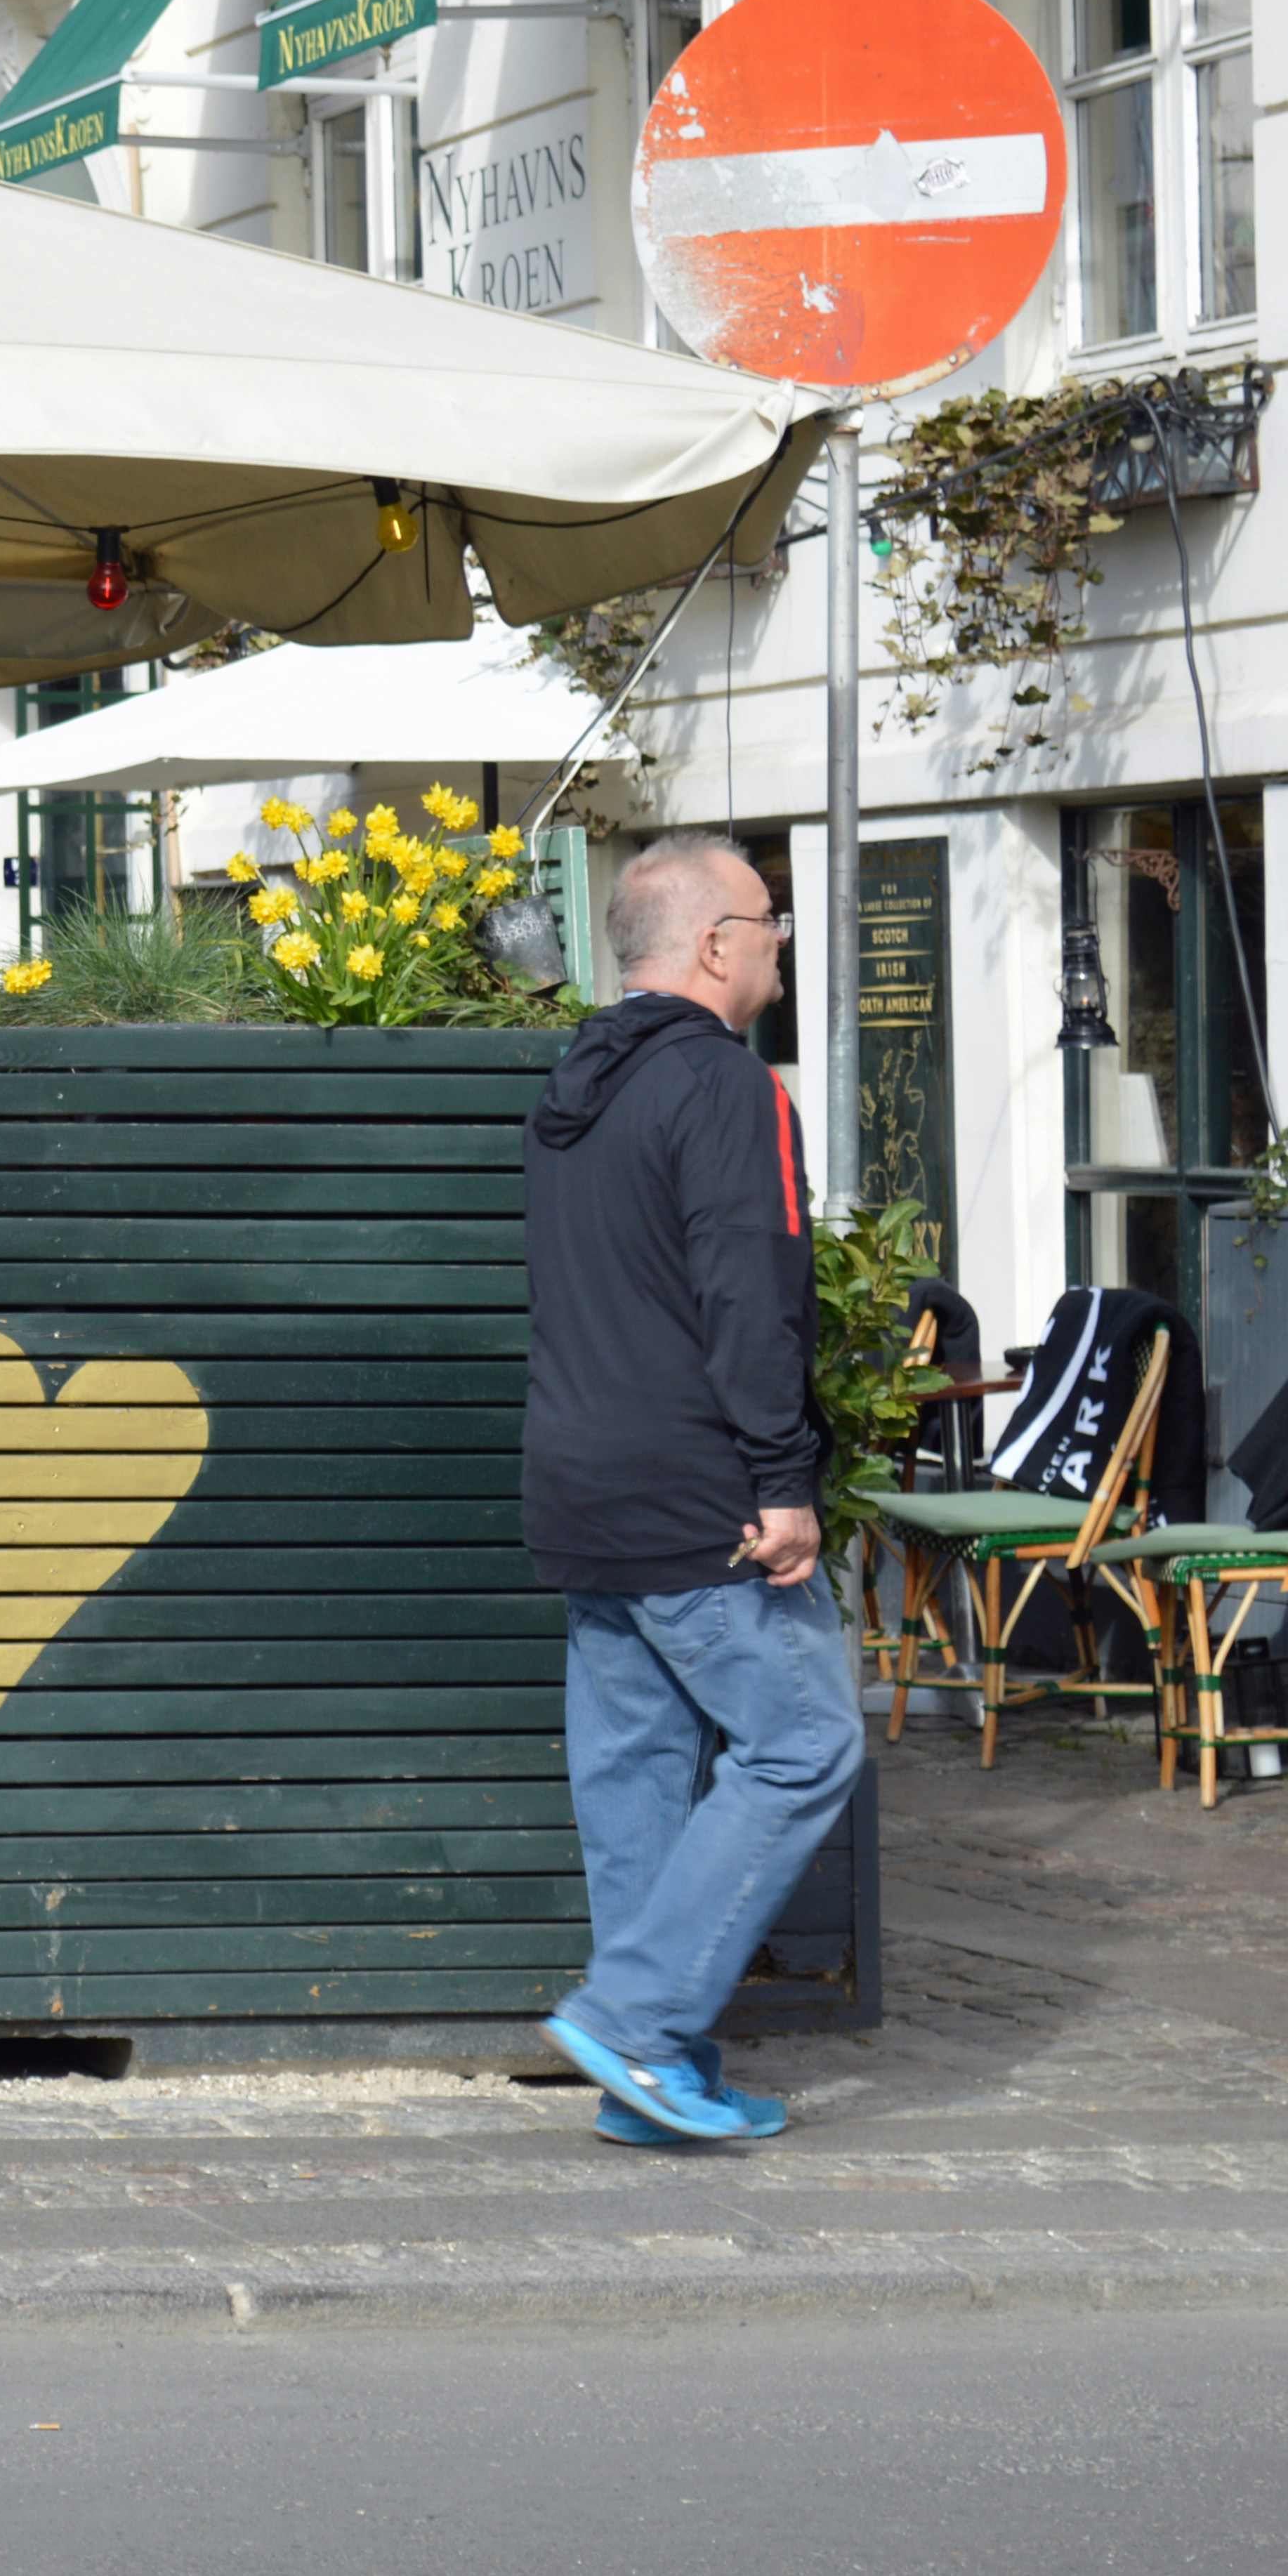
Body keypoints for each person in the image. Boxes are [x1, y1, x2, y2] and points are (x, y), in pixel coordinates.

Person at [521, 832, 865, 2148]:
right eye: (770, 919)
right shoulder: (727, 1085)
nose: (780, 940)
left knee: (639, 1778)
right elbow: (750, 1288)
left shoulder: (577, 1085)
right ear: (718, 944)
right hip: (697, 1492)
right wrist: (784, 1478)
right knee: (805, 1744)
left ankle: (655, 2081)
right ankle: (635, 2021)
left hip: (581, 1484)